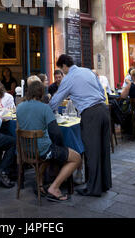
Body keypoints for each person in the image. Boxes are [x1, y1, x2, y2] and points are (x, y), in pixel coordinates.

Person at [50, 54, 111, 197]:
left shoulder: (69, 78)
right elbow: (101, 90)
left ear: (64, 66)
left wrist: (46, 109)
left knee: (92, 151)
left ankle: (93, 188)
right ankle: (104, 184)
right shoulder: (87, 71)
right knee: (103, 149)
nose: (62, 71)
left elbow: (56, 99)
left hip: (90, 113)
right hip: (103, 109)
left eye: (61, 69)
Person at [17, 80, 81, 202]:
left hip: (26, 150)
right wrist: (61, 147)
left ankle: (39, 184)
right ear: (42, 93)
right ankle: (54, 187)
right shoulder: (44, 108)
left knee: (48, 155)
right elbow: (55, 132)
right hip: (42, 150)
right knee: (76, 158)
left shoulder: (19, 107)